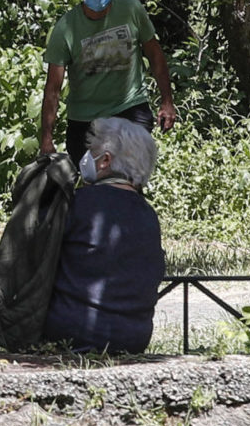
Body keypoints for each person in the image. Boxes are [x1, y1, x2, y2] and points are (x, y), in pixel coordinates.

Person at [43, 116, 167, 353]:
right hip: (133, 339)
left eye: (91, 151)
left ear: (105, 160)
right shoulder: (148, 215)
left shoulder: (77, 203)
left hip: (71, 335)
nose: (86, 158)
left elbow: (37, 261)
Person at [38, 0, 177, 160]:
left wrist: (167, 101)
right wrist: (47, 138)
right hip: (85, 118)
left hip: (130, 108)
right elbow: (52, 89)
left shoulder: (131, 10)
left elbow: (155, 55)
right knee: (93, 184)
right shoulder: (66, 28)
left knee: (130, 177)